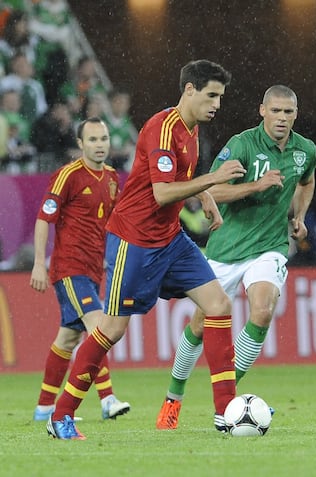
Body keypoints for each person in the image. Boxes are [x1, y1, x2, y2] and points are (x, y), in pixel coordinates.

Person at [46, 59, 245, 440]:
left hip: (170, 239)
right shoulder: (162, 128)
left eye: (220, 96)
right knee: (111, 329)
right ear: (189, 90)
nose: (217, 104)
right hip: (133, 241)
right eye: (211, 95)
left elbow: (181, 178)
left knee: (218, 305)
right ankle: (61, 415)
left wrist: (206, 196)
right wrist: (214, 179)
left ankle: (227, 413)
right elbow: (162, 192)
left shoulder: (192, 127)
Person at [156, 84, 316, 431]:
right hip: (225, 250)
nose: (281, 118)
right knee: (199, 326)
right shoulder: (242, 145)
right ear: (262, 111)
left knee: (261, 311)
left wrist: (299, 215)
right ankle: (173, 398)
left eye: (288, 112)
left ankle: (227, 404)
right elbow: (211, 189)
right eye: (275, 111)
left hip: (269, 248)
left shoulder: (305, 150)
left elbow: (307, 181)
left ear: (295, 115)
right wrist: (256, 186)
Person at [30, 117, 130, 422]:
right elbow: (43, 219)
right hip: (69, 268)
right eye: (93, 140)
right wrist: (38, 263)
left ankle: (45, 407)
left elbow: (114, 223)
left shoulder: (113, 177)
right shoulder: (68, 175)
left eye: (103, 139)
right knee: (99, 328)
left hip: (93, 270)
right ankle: (107, 399)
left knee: (68, 339)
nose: (99, 145)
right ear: (80, 144)